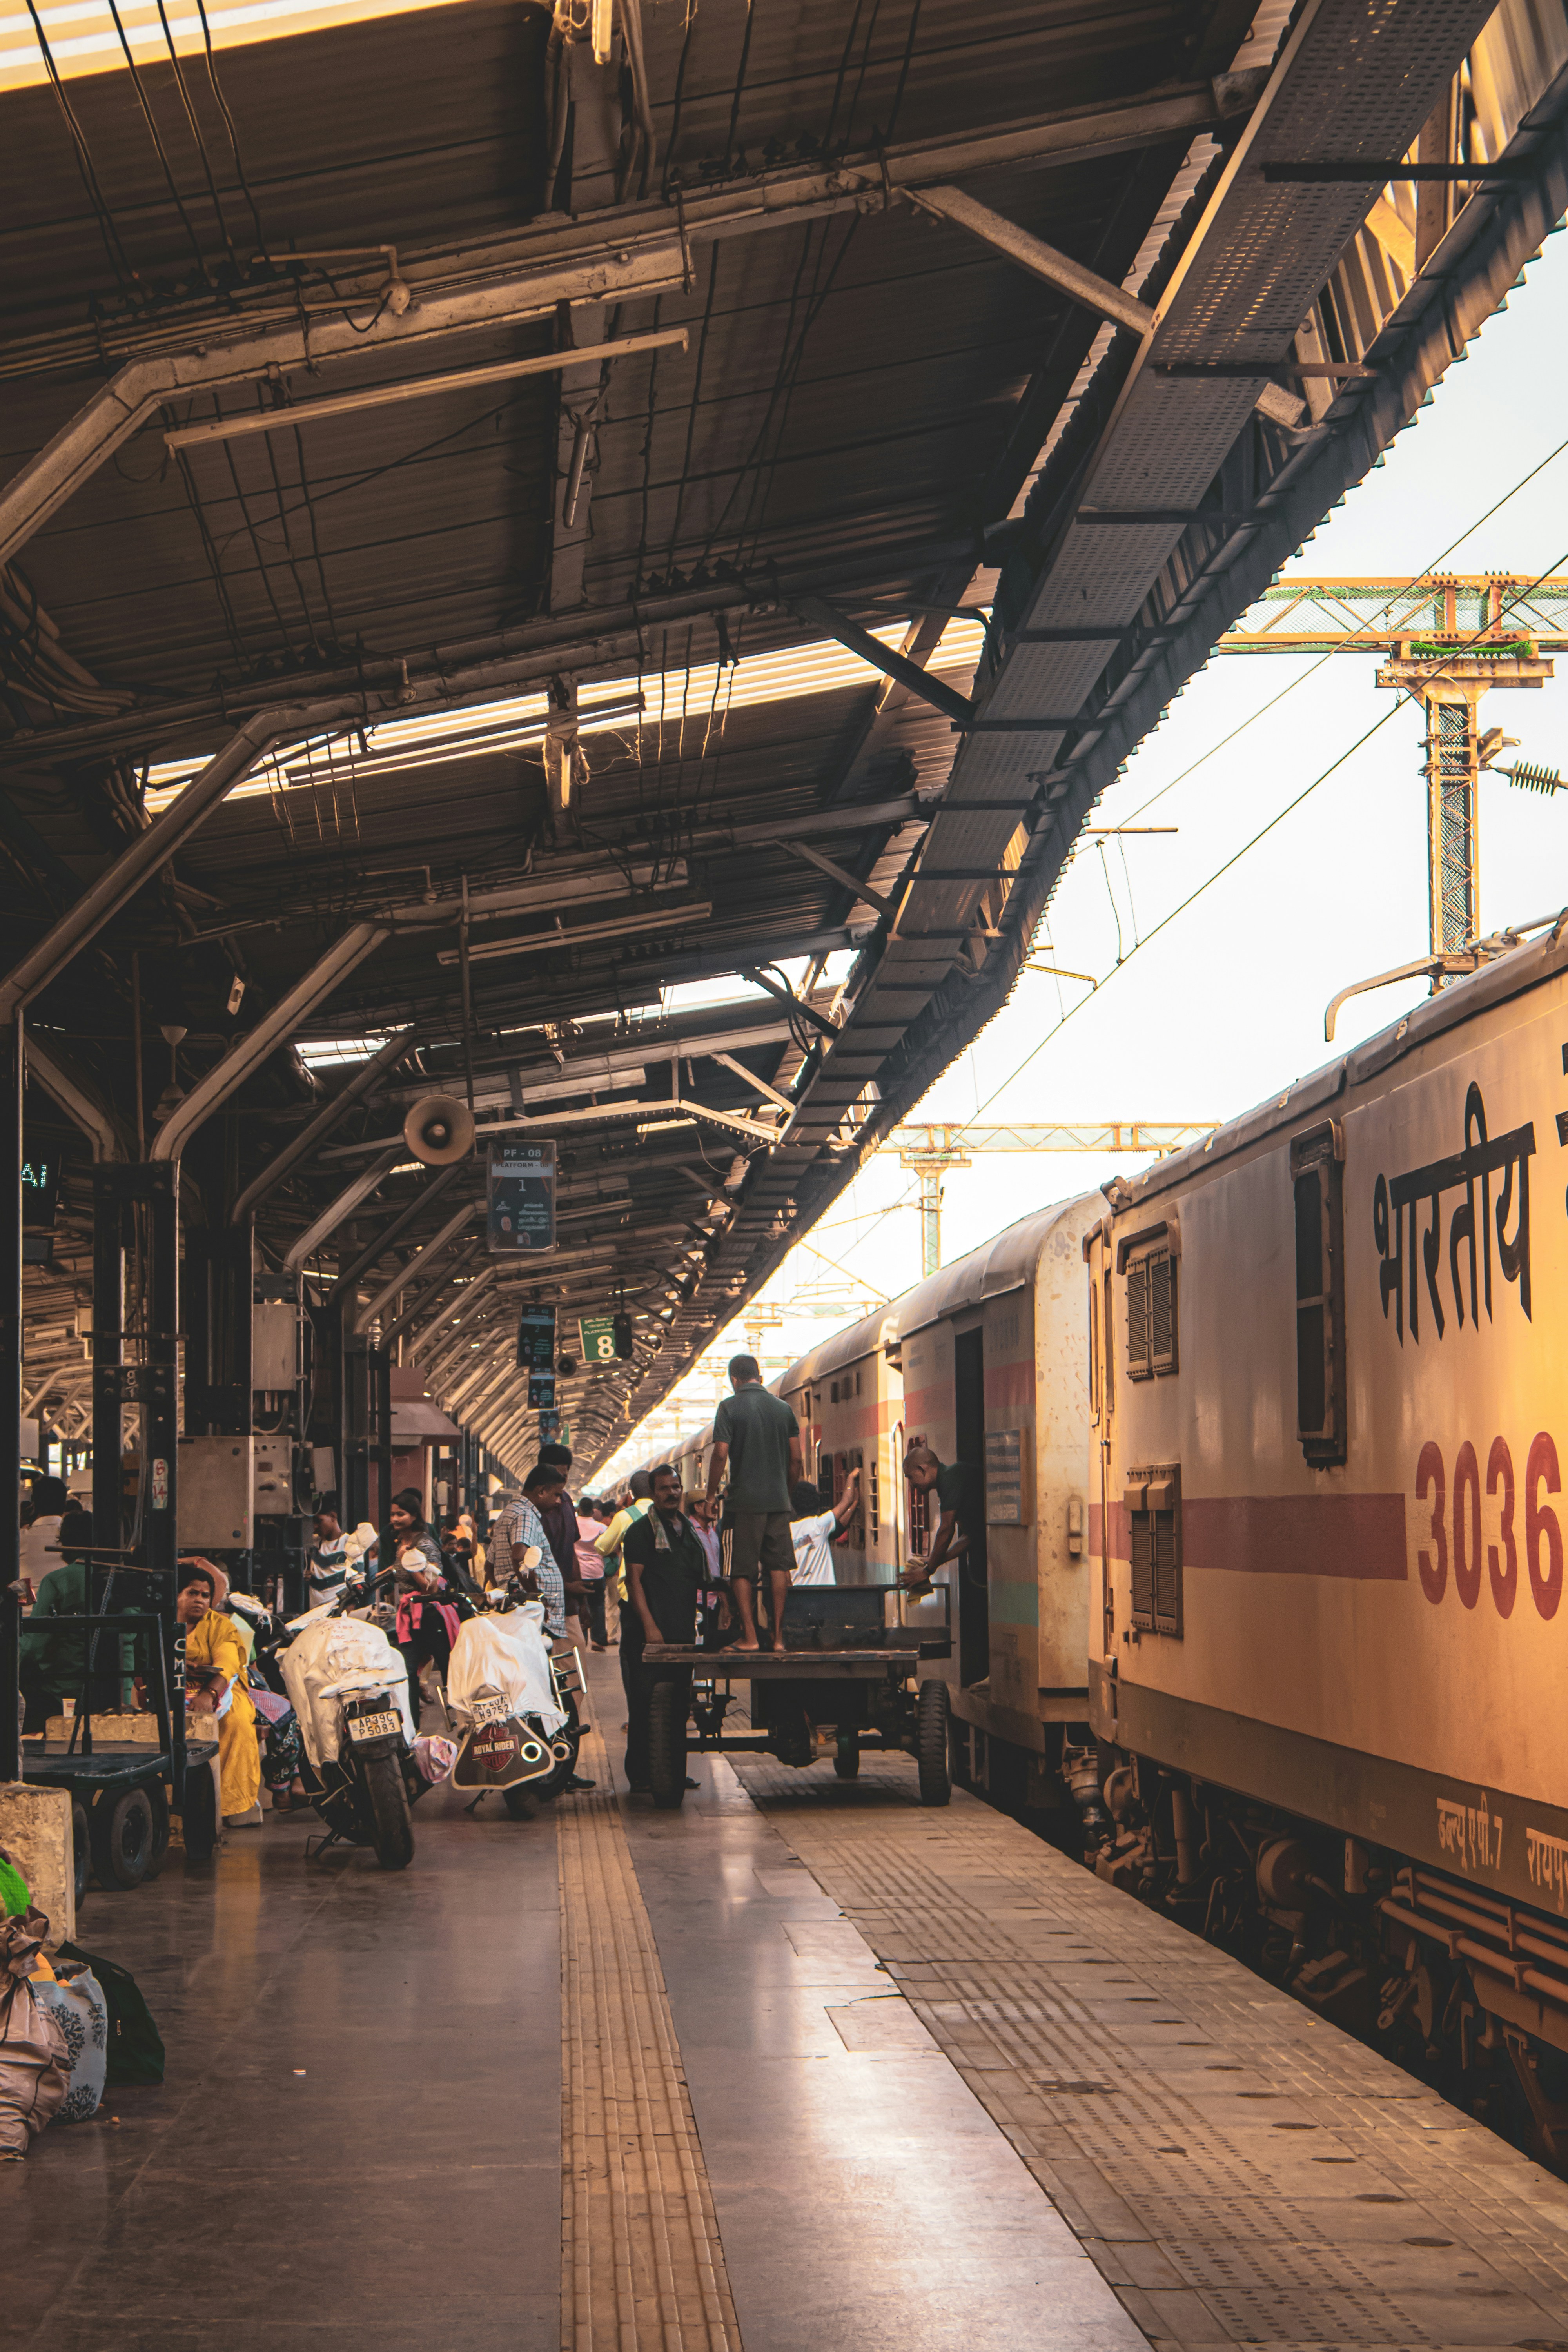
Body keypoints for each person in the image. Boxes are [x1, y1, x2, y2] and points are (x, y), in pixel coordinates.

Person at [704, 1354, 803, 1651]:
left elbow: (721, 1454)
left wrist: (711, 1496)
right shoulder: (783, 1409)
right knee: (778, 1567)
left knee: (740, 1570)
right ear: (758, 1376)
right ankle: (778, 1639)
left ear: (734, 1379)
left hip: (742, 1505)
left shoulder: (729, 1407)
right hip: (778, 1503)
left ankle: (749, 1637)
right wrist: (785, 1492)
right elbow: (796, 1458)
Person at [620, 1463, 707, 1793]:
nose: (672, 1493)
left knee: (677, 1706)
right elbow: (635, 1581)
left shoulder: (687, 1531)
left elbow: (698, 1577)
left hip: (681, 1633)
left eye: (676, 1487)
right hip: (647, 1636)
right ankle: (642, 1773)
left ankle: (669, 1771)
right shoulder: (641, 1531)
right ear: (653, 1494)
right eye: (664, 1489)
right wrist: (650, 1628)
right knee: (645, 1707)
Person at [20, 1508, 142, 1733]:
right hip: (120, 1690)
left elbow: (36, 1645)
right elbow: (132, 1631)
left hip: (65, 1692)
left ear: (64, 1542)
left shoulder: (57, 1581)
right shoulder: (127, 1579)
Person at [177, 1559, 262, 1825]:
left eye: (205, 1595)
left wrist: (208, 1695)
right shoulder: (160, 1622)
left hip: (223, 1691)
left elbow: (227, 1663)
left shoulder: (222, 1625)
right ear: (177, 1595)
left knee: (235, 1722)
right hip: (173, 1689)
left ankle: (224, 1805)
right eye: (193, 1593)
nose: (200, 1600)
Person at [388, 1489, 457, 1730]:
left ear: (415, 1515)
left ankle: (468, 1724)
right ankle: (413, 1732)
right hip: (410, 1617)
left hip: (431, 1617)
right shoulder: (401, 1543)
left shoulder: (424, 1544)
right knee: (407, 1674)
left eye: (401, 1514)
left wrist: (410, 1564)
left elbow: (432, 1587)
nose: (395, 1519)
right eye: (393, 1515)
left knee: (451, 1672)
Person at [900, 1445, 980, 1592]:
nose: (911, 1484)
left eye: (910, 1477)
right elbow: (969, 1537)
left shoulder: (951, 1478)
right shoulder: (947, 1485)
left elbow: (946, 1529)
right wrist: (934, 1561)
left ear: (922, 1469)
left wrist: (927, 1572)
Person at [788, 1467, 861, 1586]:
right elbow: (846, 1501)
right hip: (823, 1593)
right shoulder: (819, 1525)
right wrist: (851, 1477)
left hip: (798, 1594)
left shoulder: (788, 1531)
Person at [20, 1476, 72, 1588]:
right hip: (67, 1604)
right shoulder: (75, 1537)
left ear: (34, 1503)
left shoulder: (19, 1539)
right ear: (65, 1504)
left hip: (26, 1605)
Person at [574, 1495, 610, 1651]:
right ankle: (598, 1640)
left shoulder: (572, 1525)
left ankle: (581, 1639)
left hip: (578, 1573)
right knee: (598, 1605)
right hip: (597, 1572)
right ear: (593, 1511)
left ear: (580, 1509)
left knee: (579, 1606)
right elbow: (609, 1547)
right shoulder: (601, 1528)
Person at [307, 1501, 350, 1611]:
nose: (315, 1527)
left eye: (318, 1521)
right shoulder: (313, 1543)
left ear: (333, 1516)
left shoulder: (350, 1543)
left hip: (339, 1612)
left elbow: (357, 1583)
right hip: (315, 1614)